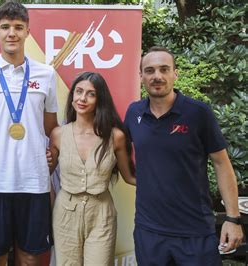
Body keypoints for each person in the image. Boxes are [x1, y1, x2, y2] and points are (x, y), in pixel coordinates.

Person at [124, 46, 243, 265]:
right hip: (149, 232)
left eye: (164, 69)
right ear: (141, 76)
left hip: (195, 232)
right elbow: (118, 148)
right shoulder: (134, 113)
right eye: (149, 70)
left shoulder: (198, 113)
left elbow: (222, 164)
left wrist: (232, 218)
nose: (157, 76)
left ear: (175, 74)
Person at [0, 1, 59, 265]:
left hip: (34, 182)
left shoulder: (46, 74)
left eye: (18, 27)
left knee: (29, 257)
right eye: (5, 27)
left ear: (28, 31)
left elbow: (50, 127)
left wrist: (52, 156)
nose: (12, 33)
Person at [48, 72, 136, 265]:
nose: (82, 98)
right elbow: (43, 174)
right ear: (72, 96)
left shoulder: (115, 137)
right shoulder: (58, 135)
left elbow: (130, 177)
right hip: (65, 212)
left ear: (100, 100)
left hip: (101, 213)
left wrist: (165, 180)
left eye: (91, 94)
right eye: (79, 92)